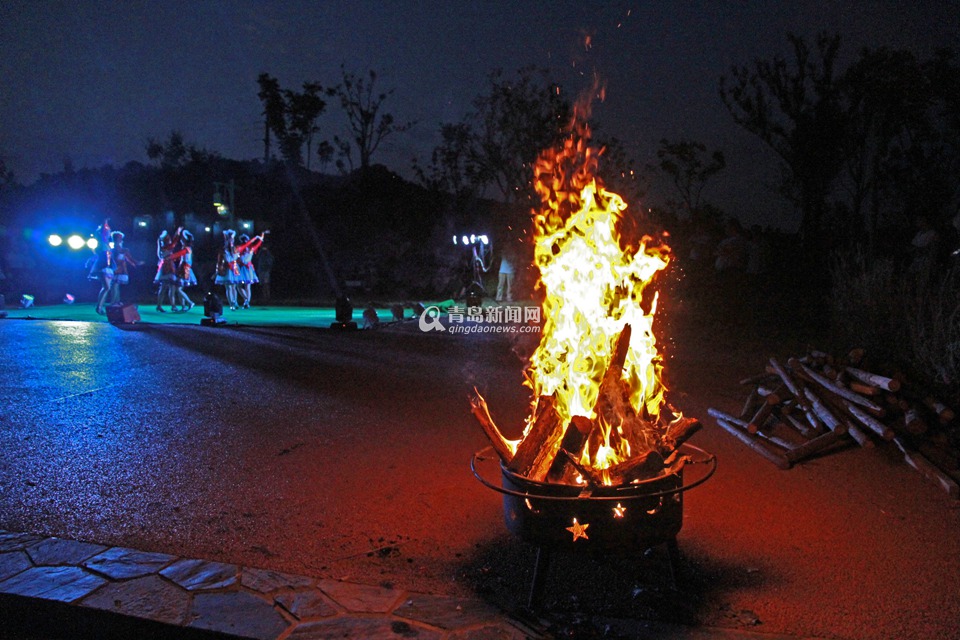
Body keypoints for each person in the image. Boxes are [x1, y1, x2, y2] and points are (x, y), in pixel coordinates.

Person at [160, 229, 197, 312]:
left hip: (184, 270)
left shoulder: (186, 248)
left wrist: (169, 257)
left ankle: (190, 302)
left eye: (182, 239)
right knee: (179, 288)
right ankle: (183, 306)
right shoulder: (186, 248)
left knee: (178, 289)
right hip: (183, 269)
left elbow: (178, 254)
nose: (181, 240)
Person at [107, 231, 142, 304]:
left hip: (120, 270)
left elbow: (129, 258)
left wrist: (135, 263)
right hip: (114, 270)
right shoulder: (111, 250)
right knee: (115, 286)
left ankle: (115, 302)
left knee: (115, 286)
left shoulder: (123, 250)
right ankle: (115, 302)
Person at [236, 230, 268, 309]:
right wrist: (257, 238)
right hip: (242, 268)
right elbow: (257, 243)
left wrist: (261, 235)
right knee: (241, 286)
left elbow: (259, 243)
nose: (245, 241)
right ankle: (246, 300)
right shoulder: (240, 248)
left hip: (247, 268)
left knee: (245, 286)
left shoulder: (251, 248)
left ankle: (247, 302)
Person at [153, 228, 181, 312]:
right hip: (167, 268)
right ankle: (171, 306)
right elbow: (174, 243)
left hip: (167, 267)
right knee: (168, 287)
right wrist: (178, 232)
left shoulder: (163, 247)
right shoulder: (166, 247)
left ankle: (165, 305)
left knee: (165, 288)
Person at [91, 219, 115, 315]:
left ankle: (100, 307)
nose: (109, 233)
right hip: (102, 266)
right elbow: (103, 230)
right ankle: (99, 307)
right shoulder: (101, 243)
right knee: (106, 287)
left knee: (106, 288)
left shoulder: (107, 244)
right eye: (108, 232)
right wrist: (105, 221)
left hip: (107, 266)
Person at [215, 229, 240, 310]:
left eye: (231, 240)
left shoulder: (235, 249)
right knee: (228, 287)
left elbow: (235, 257)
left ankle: (235, 302)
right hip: (226, 269)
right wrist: (218, 270)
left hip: (234, 268)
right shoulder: (223, 250)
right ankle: (231, 303)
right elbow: (220, 261)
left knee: (234, 287)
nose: (230, 241)